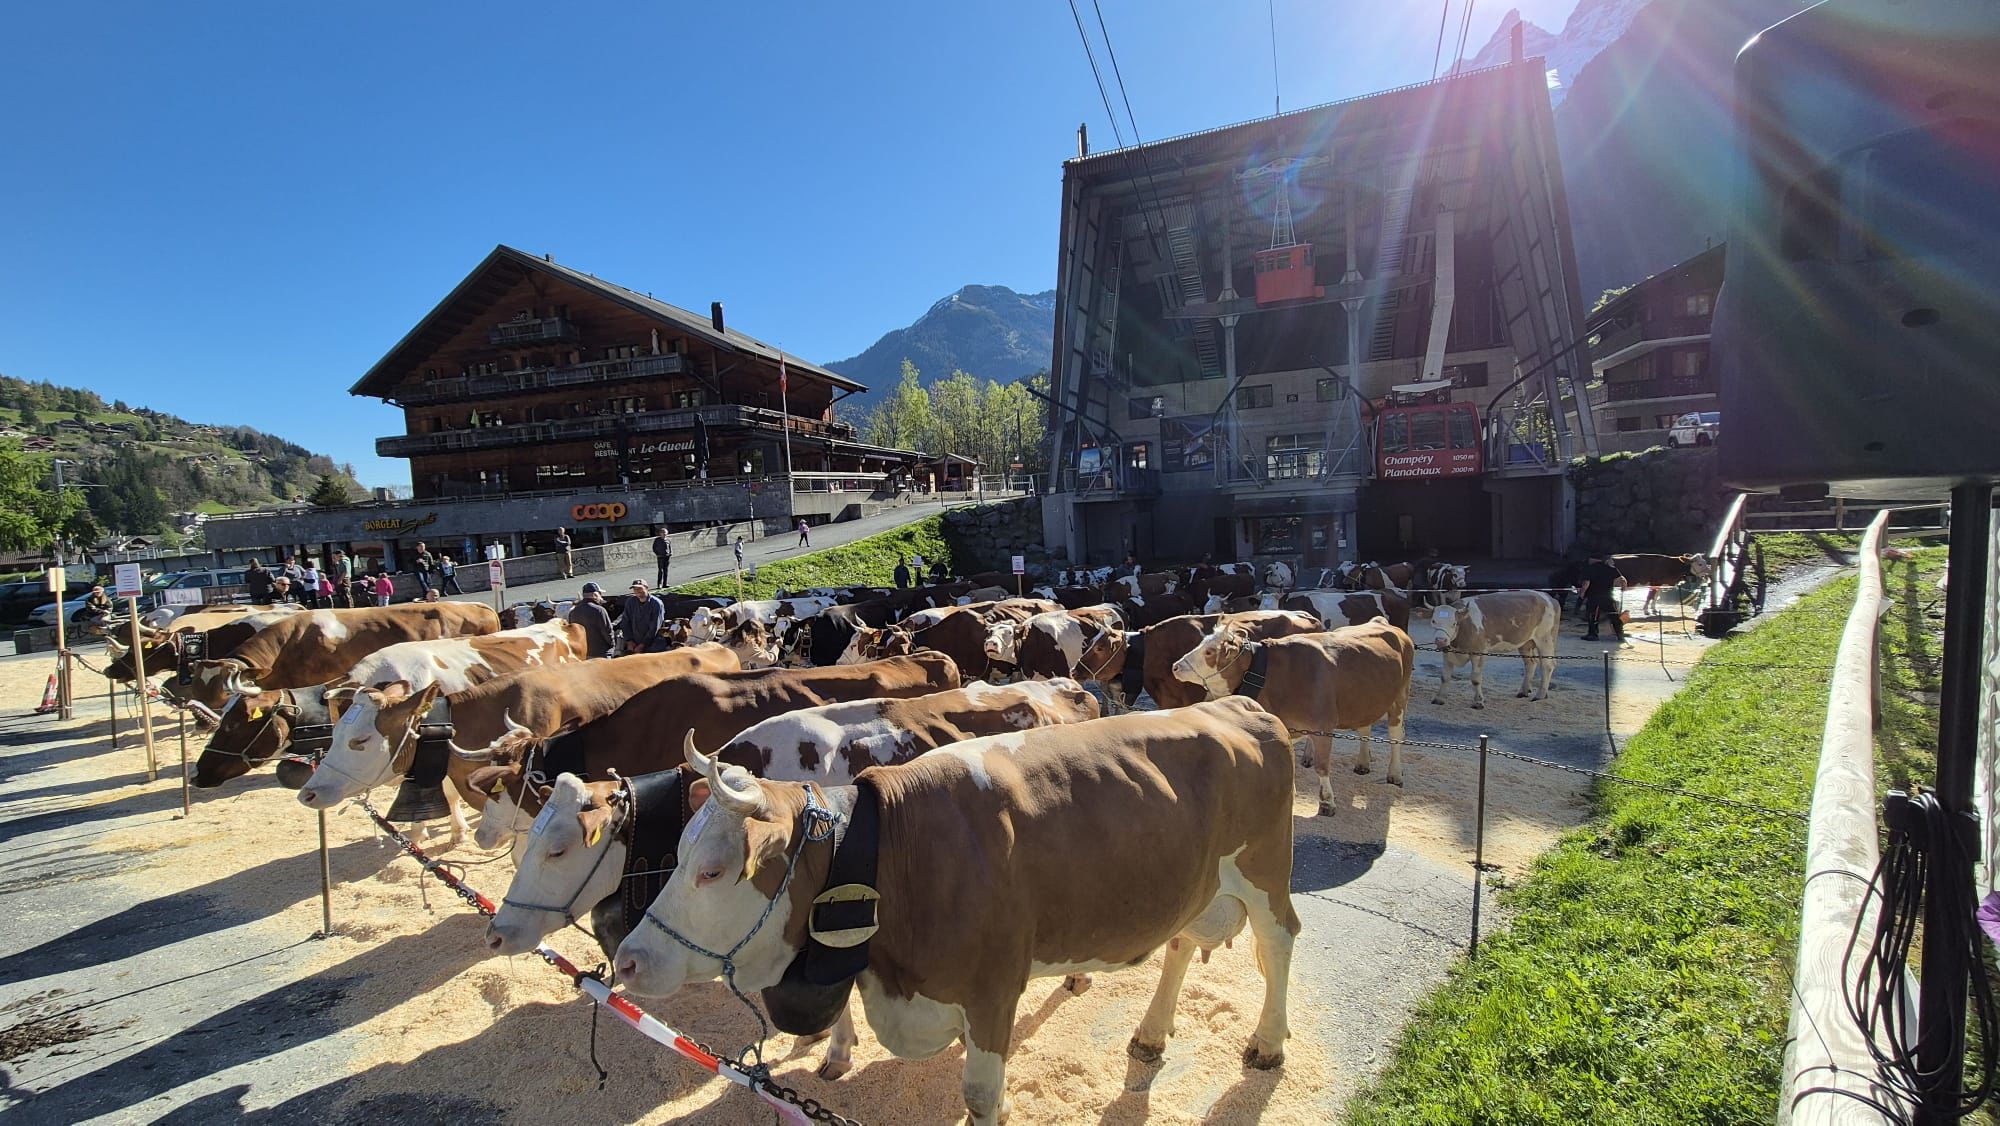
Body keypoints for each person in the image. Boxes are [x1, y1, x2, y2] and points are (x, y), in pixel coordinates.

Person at [1578, 551, 1629, 645]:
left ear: (1593, 559)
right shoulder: (1611, 568)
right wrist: (1623, 588)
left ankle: (1593, 634)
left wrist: (1581, 594)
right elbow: (1622, 579)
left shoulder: (1590, 568)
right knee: (1613, 615)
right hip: (1608, 596)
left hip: (1594, 596)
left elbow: (1586, 583)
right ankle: (1619, 634)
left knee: (1592, 616)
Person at [620, 580, 667, 655]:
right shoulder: (630, 602)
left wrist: (643, 645)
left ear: (646, 588)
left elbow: (654, 627)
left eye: (640, 588)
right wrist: (629, 641)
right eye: (635, 589)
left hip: (653, 645)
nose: (637, 591)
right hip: (634, 644)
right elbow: (625, 622)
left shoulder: (657, 604)